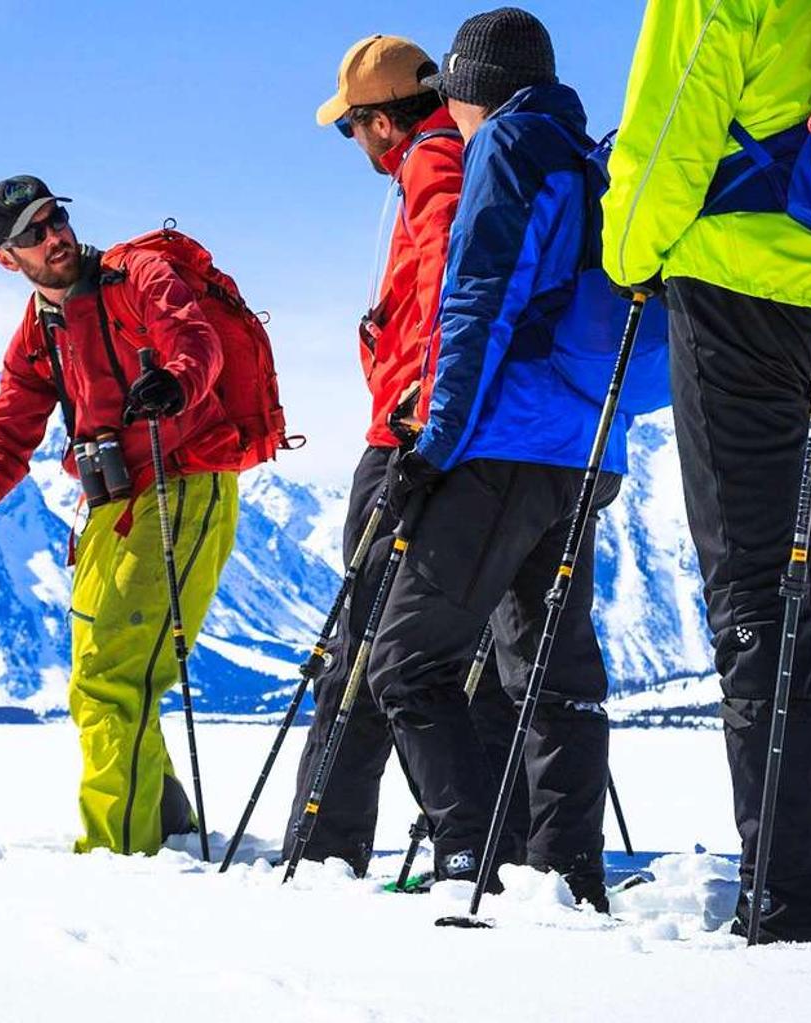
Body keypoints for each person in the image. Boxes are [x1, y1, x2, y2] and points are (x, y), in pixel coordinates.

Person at [599, 0, 811, 942]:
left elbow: (671, 139)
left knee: (754, 600)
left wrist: (628, 253)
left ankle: (779, 902)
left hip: (742, 294)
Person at [368, 6, 633, 912]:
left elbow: (477, 301)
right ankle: (563, 872)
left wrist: (433, 446)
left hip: (505, 441)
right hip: (584, 448)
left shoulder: (509, 144)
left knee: (404, 662)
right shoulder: (584, 152)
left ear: (476, 86)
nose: (454, 114)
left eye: (455, 95)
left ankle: (469, 860)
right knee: (553, 670)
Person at [0, 176, 245, 857]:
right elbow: (6, 439)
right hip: (110, 505)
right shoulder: (38, 332)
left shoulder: (137, 274)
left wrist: (175, 380)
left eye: (55, 218)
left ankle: (121, 853)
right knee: (99, 665)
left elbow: (193, 337)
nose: (53, 236)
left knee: (111, 678)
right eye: (32, 233)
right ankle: (167, 826)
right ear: (8, 258)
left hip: (184, 480)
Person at [281, 33, 524, 876]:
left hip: (408, 439)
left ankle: (325, 846)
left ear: (381, 122)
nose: (353, 143)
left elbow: (441, 290)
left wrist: (417, 411)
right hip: (466, 435)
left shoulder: (432, 166)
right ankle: (486, 838)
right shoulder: (452, 155)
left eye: (351, 126)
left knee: (361, 649)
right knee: (431, 651)